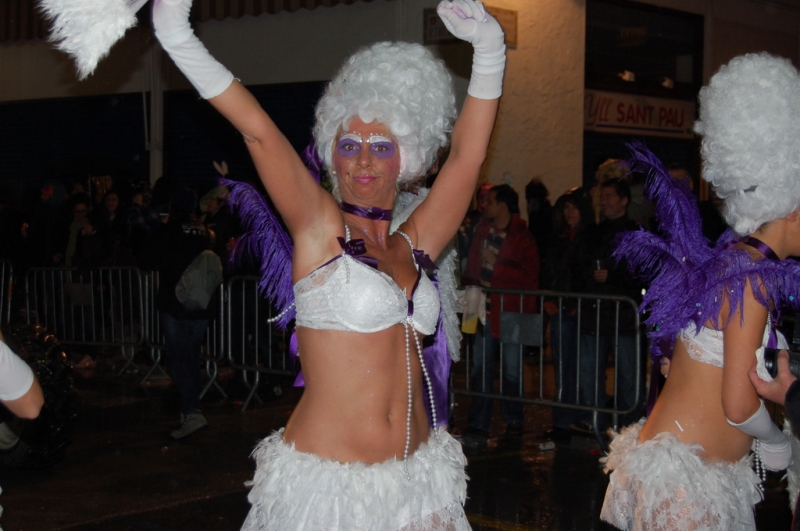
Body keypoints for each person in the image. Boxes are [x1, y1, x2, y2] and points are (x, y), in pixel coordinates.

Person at [152, 0, 504, 526]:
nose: (363, 159)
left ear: (405, 155)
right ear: (331, 151)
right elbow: (259, 132)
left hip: (420, 481)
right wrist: (178, 36)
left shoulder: (414, 243)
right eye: (350, 143)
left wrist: (490, 50)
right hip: (333, 489)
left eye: (381, 145)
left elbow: (468, 158)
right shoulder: (320, 230)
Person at [601, 53, 800, 530]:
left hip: (687, 477)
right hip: (687, 489)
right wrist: (777, 440)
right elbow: (737, 401)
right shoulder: (748, 276)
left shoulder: (736, 262)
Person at [461, 184, 540, 451]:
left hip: (513, 313)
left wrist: (498, 264)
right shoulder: (482, 230)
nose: (485, 205)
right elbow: (472, 268)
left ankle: (514, 421)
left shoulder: (522, 236)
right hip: (484, 312)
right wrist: (469, 305)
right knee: (480, 369)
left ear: (503, 205)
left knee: (511, 371)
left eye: (491, 201)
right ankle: (479, 423)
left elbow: (531, 278)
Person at [139, 188, 217, 439]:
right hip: (202, 304)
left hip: (175, 303)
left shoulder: (170, 229)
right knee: (191, 357)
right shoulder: (205, 232)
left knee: (179, 357)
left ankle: (192, 412)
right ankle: (190, 410)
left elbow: (147, 259)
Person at [575, 178, 642, 432]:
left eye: (609, 196)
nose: (603, 201)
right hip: (594, 313)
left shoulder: (635, 232)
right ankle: (595, 422)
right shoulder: (592, 231)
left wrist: (615, 276)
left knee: (627, 377)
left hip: (623, 316)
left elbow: (643, 272)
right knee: (591, 375)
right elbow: (579, 264)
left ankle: (630, 428)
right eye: (601, 197)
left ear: (624, 200)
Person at [541, 188, 594, 443]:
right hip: (561, 308)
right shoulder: (557, 239)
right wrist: (550, 302)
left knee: (585, 368)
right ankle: (562, 420)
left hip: (581, 309)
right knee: (563, 369)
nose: (570, 213)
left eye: (574, 208)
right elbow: (549, 272)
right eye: (566, 208)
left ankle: (583, 417)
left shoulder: (588, 239)